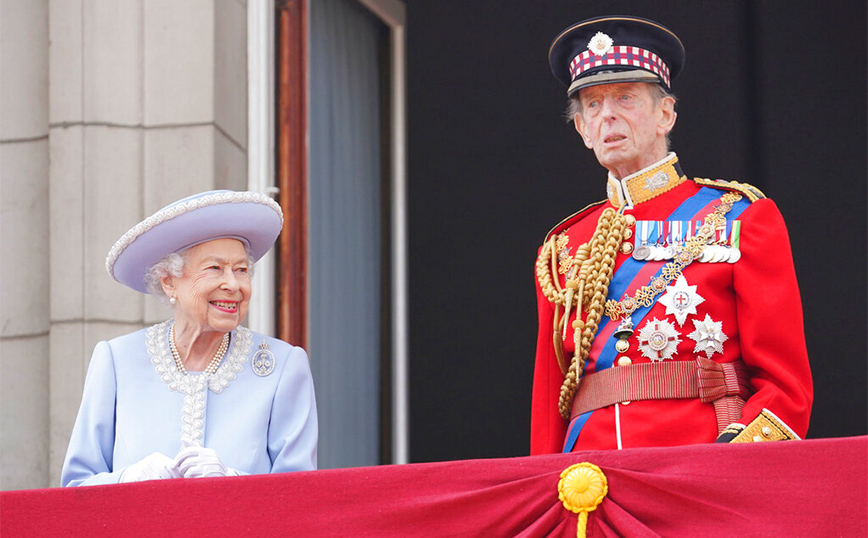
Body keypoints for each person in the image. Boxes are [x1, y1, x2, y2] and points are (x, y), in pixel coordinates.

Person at [531, 16, 813, 454]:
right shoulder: (563, 249)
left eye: (625, 97)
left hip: (704, 468)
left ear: (665, 114)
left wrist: (731, 462)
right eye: (592, 105)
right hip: (590, 476)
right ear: (583, 130)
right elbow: (551, 406)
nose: (608, 115)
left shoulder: (738, 217)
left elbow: (786, 388)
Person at [62, 190, 318, 486]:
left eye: (241, 270)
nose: (233, 284)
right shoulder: (117, 361)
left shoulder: (283, 366)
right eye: (215, 269)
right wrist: (127, 480)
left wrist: (232, 482)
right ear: (169, 281)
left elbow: (301, 496)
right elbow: (75, 489)